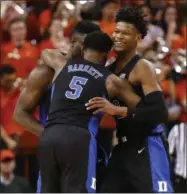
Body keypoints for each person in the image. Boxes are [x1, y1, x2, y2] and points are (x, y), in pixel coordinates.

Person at [15, 31, 140, 192]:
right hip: (78, 136)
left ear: (84, 48)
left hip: (49, 134)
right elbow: (143, 106)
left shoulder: (61, 64)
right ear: (106, 53)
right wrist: (114, 108)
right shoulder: (111, 79)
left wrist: (70, 54)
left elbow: (45, 52)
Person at [86, 6, 172, 193]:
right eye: (116, 31)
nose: (118, 36)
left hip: (148, 143)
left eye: (125, 33)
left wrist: (117, 110)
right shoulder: (109, 69)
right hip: (123, 147)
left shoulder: (143, 67)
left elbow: (159, 112)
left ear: (139, 37)